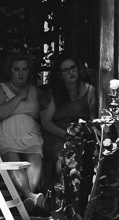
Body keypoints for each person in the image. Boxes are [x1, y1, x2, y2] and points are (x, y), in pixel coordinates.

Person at [0, 51, 46, 211]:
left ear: (29, 71)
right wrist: (19, 97)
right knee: (12, 158)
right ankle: (30, 196)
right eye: (16, 69)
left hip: (30, 135)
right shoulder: (0, 89)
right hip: (6, 133)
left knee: (35, 158)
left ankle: (27, 199)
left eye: (24, 69)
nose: (21, 73)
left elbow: (41, 114)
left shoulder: (35, 90)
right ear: (9, 70)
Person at [40, 53, 98, 182]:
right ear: (60, 74)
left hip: (80, 133)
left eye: (73, 68)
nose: (71, 72)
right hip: (56, 134)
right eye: (66, 70)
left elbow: (92, 119)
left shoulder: (90, 90)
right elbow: (46, 122)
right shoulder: (51, 93)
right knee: (64, 156)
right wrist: (66, 135)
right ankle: (61, 191)